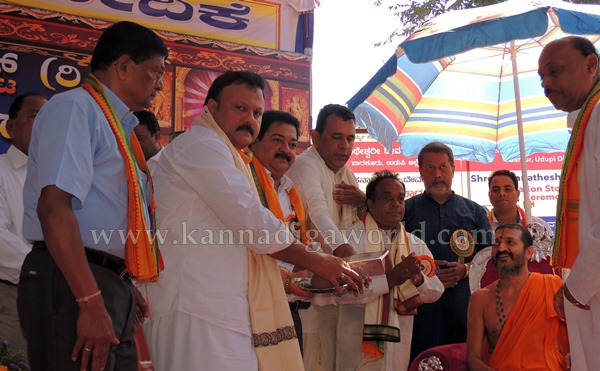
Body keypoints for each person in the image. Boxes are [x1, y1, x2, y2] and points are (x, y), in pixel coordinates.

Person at [142, 71, 363, 371]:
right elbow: (252, 221)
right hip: (194, 308)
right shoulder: (202, 145)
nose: (250, 119)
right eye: (240, 108)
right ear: (212, 107)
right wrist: (318, 260)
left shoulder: (226, 153)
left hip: (222, 309)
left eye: (257, 112)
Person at [18, 21, 168, 371]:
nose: (160, 84)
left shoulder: (121, 124)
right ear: (124, 65)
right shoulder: (76, 108)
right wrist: (89, 300)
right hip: (72, 283)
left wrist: (120, 283)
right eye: (156, 72)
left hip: (100, 284)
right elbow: (54, 209)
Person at [336, 170, 444, 371]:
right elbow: (342, 294)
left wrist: (417, 279)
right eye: (387, 198)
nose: (396, 204)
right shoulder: (348, 242)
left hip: (398, 342)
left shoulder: (414, 243)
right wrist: (391, 279)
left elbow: (436, 290)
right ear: (370, 203)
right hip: (356, 344)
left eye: (400, 199)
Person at [288, 103, 365, 371]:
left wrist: (364, 202)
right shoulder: (306, 165)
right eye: (337, 137)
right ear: (316, 138)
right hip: (299, 287)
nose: (345, 146)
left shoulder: (346, 174)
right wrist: (345, 254)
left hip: (333, 287)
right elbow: (317, 213)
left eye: (350, 138)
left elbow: (359, 225)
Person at [539, 35, 600, 370]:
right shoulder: (586, 120)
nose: (546, 84)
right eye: (541, 78)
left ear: (591, 65)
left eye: (555, 72)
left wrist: (578, 287)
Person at [403, 141, 493, 361]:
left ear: (453, 169)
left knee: (462, 359)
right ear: (420, 171)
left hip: (464, 305)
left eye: (443, 167)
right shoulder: (406, 210)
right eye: (430, 168)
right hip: (421, 306)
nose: (437, 174)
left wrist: (465, 269)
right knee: (420, 359)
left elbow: (491, 257)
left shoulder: (475, 211)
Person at [247, 110, 313, 354]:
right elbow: (250, 247)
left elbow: (296, 244)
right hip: (253, 311)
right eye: (277, 140)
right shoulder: (244, 184)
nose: (286, 149)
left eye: (293, 144)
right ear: (255, 141)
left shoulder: (288, 191)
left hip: (289, 309)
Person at [466, 223, 568, 370]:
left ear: (529, 252)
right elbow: (472, 359)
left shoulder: (552, 286)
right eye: (496, 243)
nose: (501, 249)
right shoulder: (480, 299)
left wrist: (573, 354)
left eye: (510, 242)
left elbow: (576, 337)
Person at [0, 92, 47, 352]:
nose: (44, 127)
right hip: (11, 301)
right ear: (10, 127)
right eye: (35, 117)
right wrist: (45, 271)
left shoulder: (61, 180)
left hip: (58, 303)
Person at [487, 170, 553, 232]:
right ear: (489, 195)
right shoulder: (480, 228)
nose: (502, 193)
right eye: (495, 190)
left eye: (507, 189)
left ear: (518, 194)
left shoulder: (539, 227)